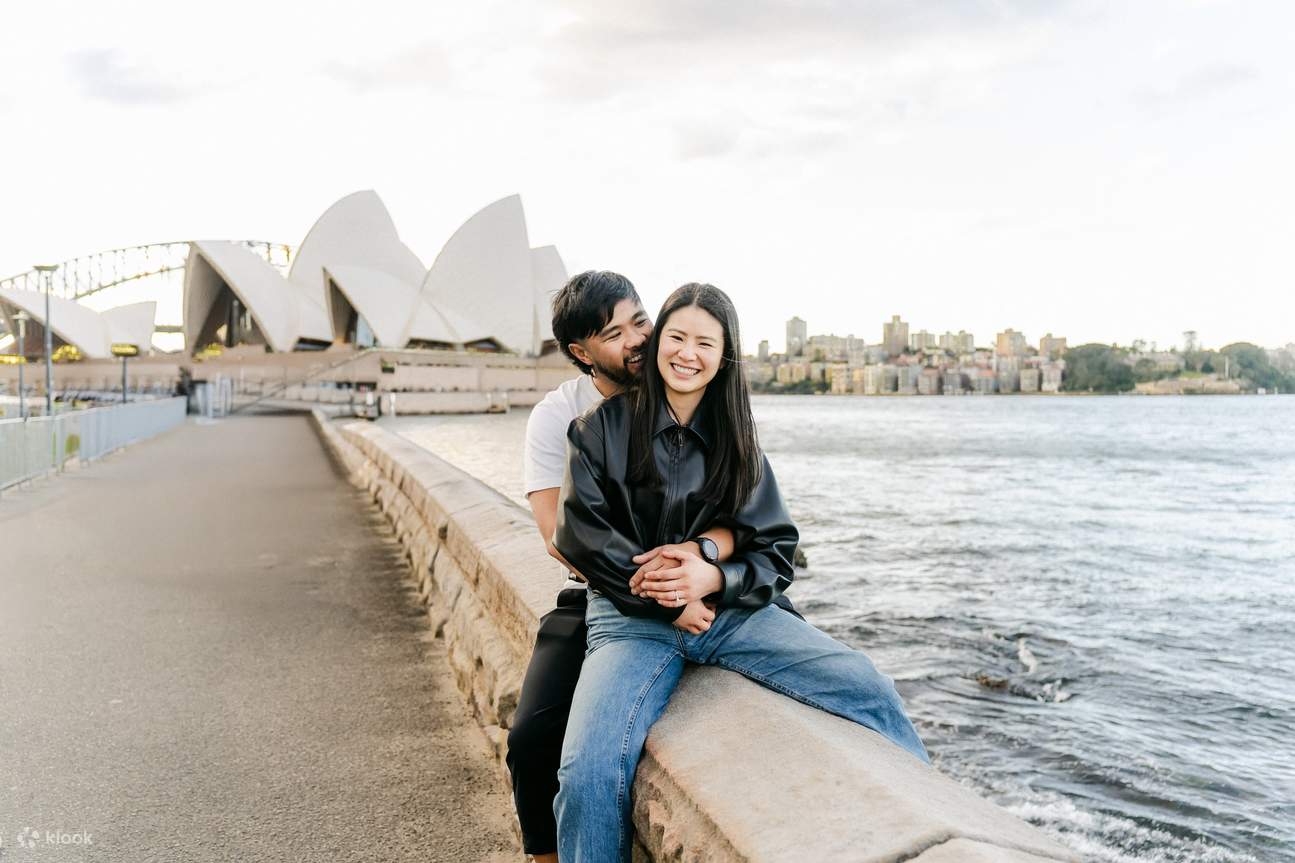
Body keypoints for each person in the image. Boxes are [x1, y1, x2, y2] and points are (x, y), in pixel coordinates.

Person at [553, 283, 930, 862]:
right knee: (588, 768)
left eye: (705, 343)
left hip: (730, 615)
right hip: (630, 621)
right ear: (658, 342)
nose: (687, 353)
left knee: (869, 689)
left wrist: (711, 578)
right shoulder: (597, 430)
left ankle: (936, 831)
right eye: (677, 337)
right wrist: (672, 599)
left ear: (725, 356)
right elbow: (582, 537)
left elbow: (775, 548)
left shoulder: (738, 439)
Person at [506, 271, 801, 863]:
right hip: (603, 588)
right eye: (615, 334)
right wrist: (668, 594)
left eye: (640, 321)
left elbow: (744, 521)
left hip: (699, 583)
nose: (638, 340)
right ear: (581, 353)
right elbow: (562, 539)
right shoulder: (564, 418)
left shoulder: (699, 396)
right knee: (534, 737)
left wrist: (702, 556)